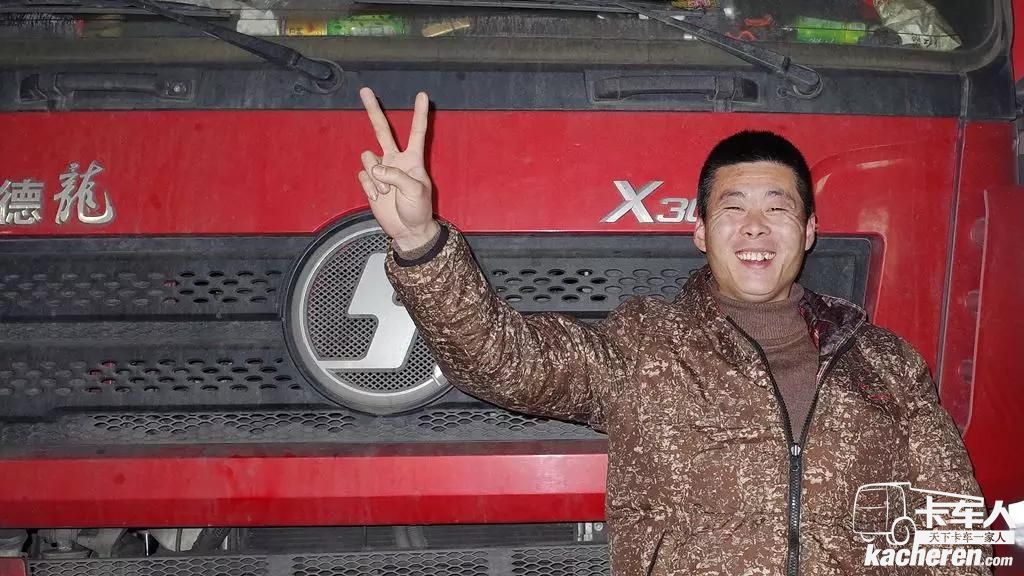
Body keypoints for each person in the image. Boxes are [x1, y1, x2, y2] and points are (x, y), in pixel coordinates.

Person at [354, 87, 990, 575]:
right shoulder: (646, 345)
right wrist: (419, 241)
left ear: (809, 232)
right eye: (733, 209)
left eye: (778, 209)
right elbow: (502, 358)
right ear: (701, 233)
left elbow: (953, 536)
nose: (755, 227)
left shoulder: (885, 362)